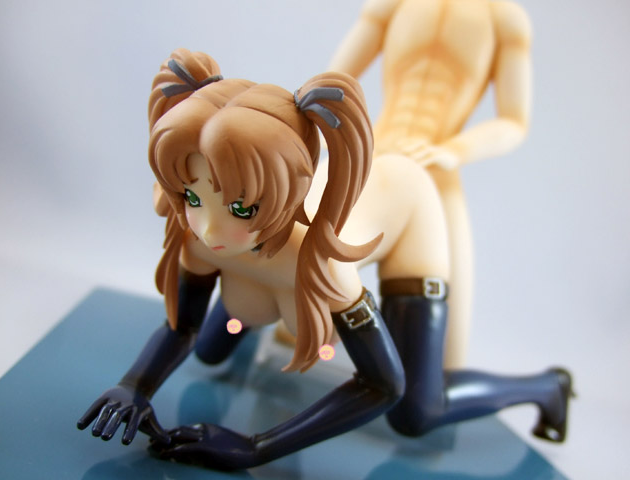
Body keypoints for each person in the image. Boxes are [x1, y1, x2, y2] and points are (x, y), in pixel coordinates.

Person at [77, 48, 570, 470]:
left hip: (409, 211)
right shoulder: (197, 236)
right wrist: (134, 386)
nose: (208, 229)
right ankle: (249, 301)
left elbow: (382, 385)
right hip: (265, 256)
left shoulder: (322, 266)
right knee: (210, 348)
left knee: (417, 413)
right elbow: (182, 327)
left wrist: (255, 447)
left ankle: (548, 387)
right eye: (191, 196)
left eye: (240, 208)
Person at [329, 0, 533, 367]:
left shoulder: (504, 19)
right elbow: (332, 82)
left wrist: (453, 151)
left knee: (446, 354)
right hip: (372, 156)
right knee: (298, 279)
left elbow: (514, 122)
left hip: (436, 171)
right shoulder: (392, 4)